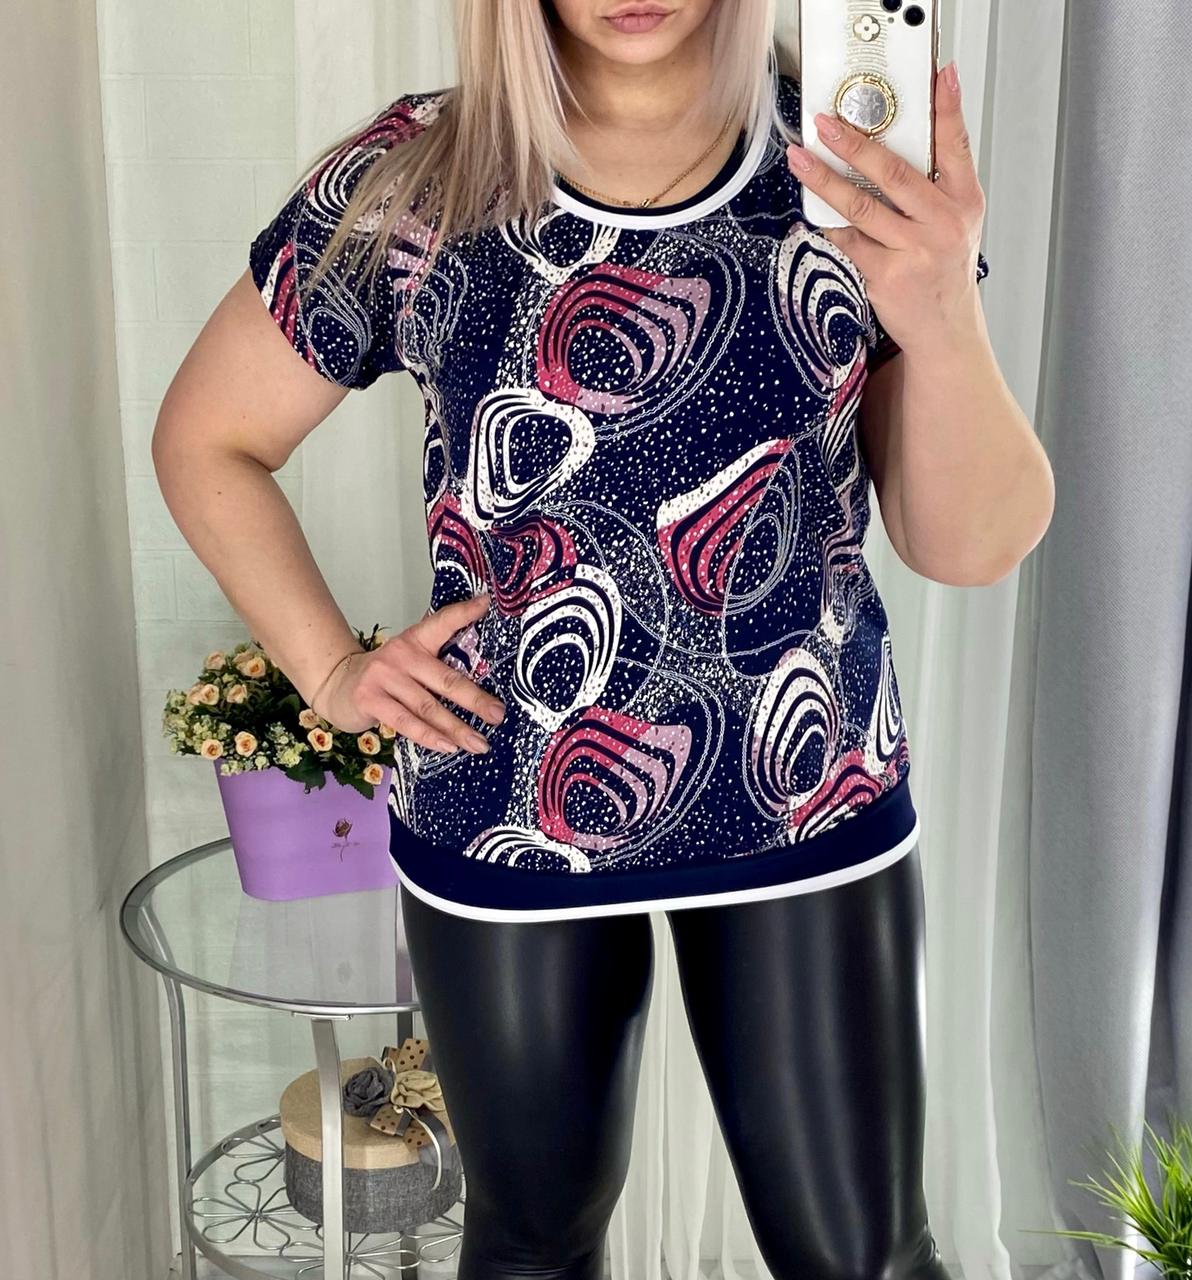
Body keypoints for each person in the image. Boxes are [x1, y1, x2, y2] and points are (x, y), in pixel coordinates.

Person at [153, 1, 1052, 1276]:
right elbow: (208, 439)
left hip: (807, 794)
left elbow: (969, 545)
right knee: (532, 1247)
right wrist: (334, 670)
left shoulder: (849, 168)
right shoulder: (414, 180)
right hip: (505, 803)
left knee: (869, 1258)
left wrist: (943, 307)